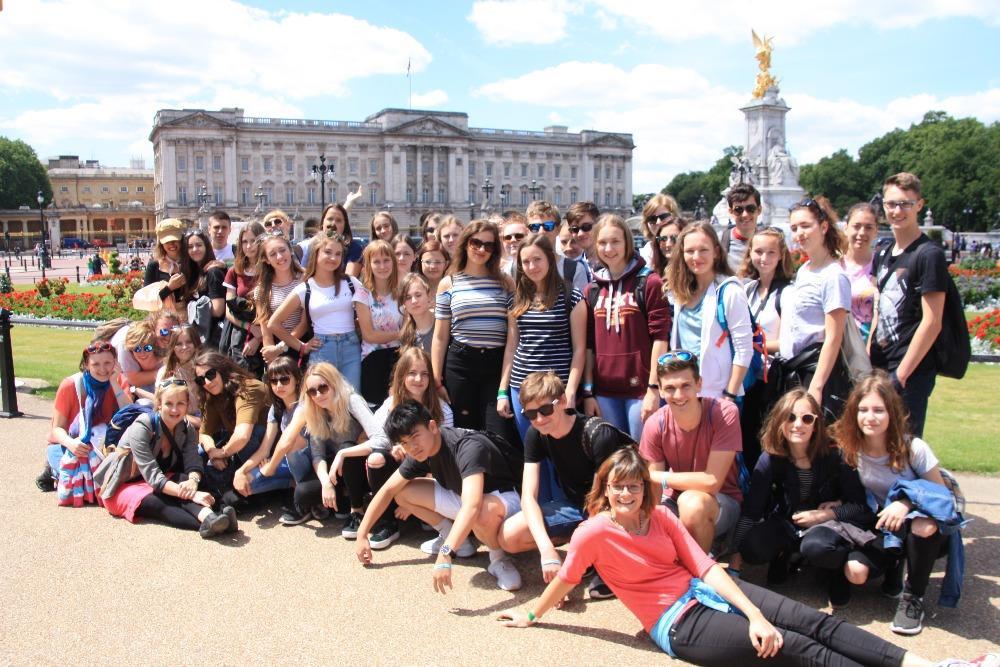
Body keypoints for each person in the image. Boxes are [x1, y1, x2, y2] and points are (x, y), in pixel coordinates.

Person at [499, 447, 977, 667]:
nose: (626, 492)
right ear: (604, 489)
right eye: (617, 485)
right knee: (797, 649)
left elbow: (705, 566)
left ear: (646, 487)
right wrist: (530, 613)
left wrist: (753, 613)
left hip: (702, 590)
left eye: (634, 484)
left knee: (817, 624)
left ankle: (930, 665)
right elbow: (564, 580)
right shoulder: (592, 533)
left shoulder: (661, 517)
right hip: (678, 623)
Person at [833, 371, 962, 636]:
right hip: (884, 527)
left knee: (923, 525)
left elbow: (941, 497)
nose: (870, 417)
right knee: (855, 572)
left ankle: (913, 597)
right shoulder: (851, 449)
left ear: (892, 412)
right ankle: (893, 565)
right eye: (863, 409)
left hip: (926, 530)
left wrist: (905, 502)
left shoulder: (913, 449)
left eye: (878, 410)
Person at [355, 400, 524, 592]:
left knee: (480, 511)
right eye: (404, 443)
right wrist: (362, 534)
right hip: (469, 497)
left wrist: (445, 556)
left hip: (507, 499)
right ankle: (456, 540)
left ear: (432, 427)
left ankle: (498, 559)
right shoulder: (422, 451)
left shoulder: (466, 447)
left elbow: (472, 506)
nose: (412, 447)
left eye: (415, 436)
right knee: (403, 493)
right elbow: (387, 490)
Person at [731, 389, 874, 609]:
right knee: (753, 546)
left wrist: (826, 514)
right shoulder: (770, 458)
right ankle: (785, 554)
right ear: (780, 421)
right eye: (790, 417)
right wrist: (735, 562)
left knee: (817, 547)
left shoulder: (837, 454)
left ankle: (835, 572)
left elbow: (860, 507)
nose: (798, 424)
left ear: (816, 423)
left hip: (829, 525)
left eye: (807, 418)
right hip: (788, 522)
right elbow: (752, 510)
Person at [498, 371, 630, 594]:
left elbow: (610, 496)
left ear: (562, 402)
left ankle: (602, 561)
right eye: (530, 414)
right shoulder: (536, 434)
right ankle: (588, 555)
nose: (539, 419)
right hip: (576, 507)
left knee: (599, 521)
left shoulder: (598, 434)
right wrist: (547, 550)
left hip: (611, 508)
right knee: (509, 536)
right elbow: (528, 496)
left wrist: (572, 561)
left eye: (546, 409)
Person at [260, 362, 388, 539]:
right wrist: (326, 482)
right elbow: (317, 454)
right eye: (312, 391)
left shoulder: (351, 400)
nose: (318, 395)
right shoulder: (315, 411)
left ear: (334, 383)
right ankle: (342, 500)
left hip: (362, 466)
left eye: (323, 387)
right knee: (302, 494)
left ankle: (356, 511)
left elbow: (382, 440)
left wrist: (343, 454)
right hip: (337, 470)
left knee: (347, 448)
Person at [96, 378, 235, 537]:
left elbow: (192, 461)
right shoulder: (142, 427)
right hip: (123, 485)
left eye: (180, 403)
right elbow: (153, 477)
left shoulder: (186, 428)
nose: (175, 409)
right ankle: (211, 521)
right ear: (159, 403)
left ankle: (214, 518)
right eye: (169, 403)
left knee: (183, 479)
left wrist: (193, 481)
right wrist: (193, 494)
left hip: (155, 480)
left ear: (187, 405)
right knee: (159, 502)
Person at [639, 351, 743, 554]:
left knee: (691, 504)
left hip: (720, 501)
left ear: (699, 384)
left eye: (685, 386)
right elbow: (655, 491)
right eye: (669, 388)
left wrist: (658, 476)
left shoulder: (724, 413)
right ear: (659, 390)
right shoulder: (655, 423)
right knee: (641, 516)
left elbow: (711, 482)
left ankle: (699, 573)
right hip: (674, 499)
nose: (678, 395)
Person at [870, 173, 947, 437]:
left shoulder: (929, 254)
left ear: (919, 205)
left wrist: (900, 375)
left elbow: (932, 321)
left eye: (905, 204)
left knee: (904, 449)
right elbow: (878, 307)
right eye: (891, 204)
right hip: (880, 365)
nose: (897, 211)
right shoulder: (882, 252)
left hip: (909, 371)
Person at [582, 214, 670, 441]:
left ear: (627, 243)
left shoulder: (649, 282)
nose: (608, 248)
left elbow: (660, 338)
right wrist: (589, 391)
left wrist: (653, 388)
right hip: (605, 392)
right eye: (602, 243)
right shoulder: (592, 289)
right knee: (614, 458)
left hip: (640, 390)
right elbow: (589, 344)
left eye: (615, 242)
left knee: (643, 456)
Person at [497, 234, 585, 442]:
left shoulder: (571, 295)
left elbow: (580, 349)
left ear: (549, 259)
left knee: (561, 452)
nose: (532, 266)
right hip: (522, 387)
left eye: (537, 259)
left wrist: (570, 390)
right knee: (532, 451)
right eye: (525, 262)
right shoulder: (516, 299)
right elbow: (512, 347)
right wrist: (503, 391)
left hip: (556, 390)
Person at [366, 346, 456, 548]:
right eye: (412, 373)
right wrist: (394, 446)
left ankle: (418, 507)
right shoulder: (391, 404)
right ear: (402, 376)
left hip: (433, 468)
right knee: (377, 458)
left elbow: (448, 446)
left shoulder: (441, 408)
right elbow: (378, 438)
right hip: (403, 468)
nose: (418, 379)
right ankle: (387, 522)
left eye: (424, 374)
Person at [431, 220, 514, 434]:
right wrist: (436, 379)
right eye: (476, 243)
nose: (481, 249)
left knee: (498, 433)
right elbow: (440, 336)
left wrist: (504, 388)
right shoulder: (448, 283)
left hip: (495, 365)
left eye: (489, 245)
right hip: (461, 365)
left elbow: (513, 338)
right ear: (466, 243)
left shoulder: (506, 283)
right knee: (465, 432)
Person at [781, 197, 852, 418]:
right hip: (796, 368)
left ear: (823, 226)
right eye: (794, 228)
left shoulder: (833, 275)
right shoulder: (805, 270)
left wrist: (817, 387)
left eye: (805, 225)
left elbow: (833, 337)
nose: (799, 233)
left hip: (815, 370)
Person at [666, 222, 751, 401]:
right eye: (690, 251)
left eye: (703, 250)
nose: (696, 257)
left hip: (718, 395)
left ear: (716, 252)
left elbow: (744, 349)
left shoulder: (730, 291)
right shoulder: (682, 291)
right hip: (685, 394)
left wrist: (730, 394)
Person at [268, 232, 363, 390]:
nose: (333, 258)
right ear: (316, 253)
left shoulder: (351, 282)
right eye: (328, 252)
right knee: (321, 400)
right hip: (322, 348)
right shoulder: (305, 288)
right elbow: (274, 324)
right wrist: (301, 346)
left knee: (353, 400)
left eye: (338, 254)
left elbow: (371, 309)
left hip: (351, 346)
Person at [41, 341, 132, 499]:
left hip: (105, 446)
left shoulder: (119, 381)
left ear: (115, 363)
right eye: (96, 364)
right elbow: (56, 430)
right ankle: (53, 470)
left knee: (108, 484)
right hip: (72, 444)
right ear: (86, 365)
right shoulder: (70, 385)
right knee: (82, 487)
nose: (103, 369)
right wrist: (71, 443)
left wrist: (114, 383)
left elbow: (130, 414)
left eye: (108, 363)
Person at [737, 227, 794, 469]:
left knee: (771, 442)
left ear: (781, 255)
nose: (764, 258)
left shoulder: (788, 292)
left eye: (771, 252)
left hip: (772, 380)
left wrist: (749, 346)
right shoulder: (747, 289)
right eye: (758, 251)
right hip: (748, 377)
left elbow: (788, 343)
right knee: (746, 441)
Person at [194, 351, 280, 508]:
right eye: (200, 380)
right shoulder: (213, 395)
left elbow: (242, 436)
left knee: (247, 437)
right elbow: (204, 433)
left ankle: (263, 486)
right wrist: (213, 453)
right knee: (200, 450)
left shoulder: (248, 388)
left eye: (211, 374)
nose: (207, 382)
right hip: (245, 450)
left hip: (272, 450)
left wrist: (223, 452)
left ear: (223, 370)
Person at [232, 357, 310, 524]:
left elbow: (287, 441)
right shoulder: (276, 409)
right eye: (273, 381)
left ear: (296, 380)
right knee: (248, 484)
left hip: (311, 462)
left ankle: (301, 503)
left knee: (293, 442)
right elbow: (264, 449)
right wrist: (241, 471)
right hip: (287, 463)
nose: (279, 385)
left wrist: (271, 466)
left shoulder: (305, 405)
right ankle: (291, 485)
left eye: (284, 379)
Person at [353, 239, 403, 405]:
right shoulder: (362, 295)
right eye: (377, 262)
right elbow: (369, 335)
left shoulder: (403, 290)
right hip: (373, 359)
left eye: (386, 260)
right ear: (368, 265)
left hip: (401, 357)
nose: (382, 266)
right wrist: (401, 334)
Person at [254, 233, 306, 366]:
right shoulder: (262, 290)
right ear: (266, 259)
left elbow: (304, 324)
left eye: (283, 250)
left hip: (302, 344)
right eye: (272, 254)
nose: (280, 257)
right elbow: (266, 331)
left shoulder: (305, 279)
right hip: (276, 350)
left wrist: (281, 347)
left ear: (290, 250)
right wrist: (272, 358)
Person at [221, 222, 265, 371]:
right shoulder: (235, 271)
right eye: (244, 241)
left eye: (253, 241)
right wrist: (250, 328)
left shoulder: (270, 270)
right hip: (241, 332)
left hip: (267, 333)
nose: (248, 246)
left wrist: (258, 338)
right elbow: (228, 311)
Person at [523, 201, 589, 295]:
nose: (541, 232)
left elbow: (582, 307)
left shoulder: (575, 269)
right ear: (527, 231)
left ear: (558, 229)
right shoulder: (517, 268)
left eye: (548, 226)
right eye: (535, 227)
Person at [180, 229, 227, 347]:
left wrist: (192, 307)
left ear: (206, 246)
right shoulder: (191, 274)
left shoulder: (213, 272)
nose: (195, 249)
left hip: (214, 337)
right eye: (190, 247)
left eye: (199, 245)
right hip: (199, 336)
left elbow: (218, 310)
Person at [842, 202, 879, 341]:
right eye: (856, 226)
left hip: (870, 348)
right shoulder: (834, 266)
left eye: (868, 227)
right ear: (846, 228)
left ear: (876, 231)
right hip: (836, 350)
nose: (862, 233)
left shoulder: (881, 266)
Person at [156, 324, 204, 428]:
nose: (184, 347)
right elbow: (159, 408)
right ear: (173, 348)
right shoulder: (166, 373)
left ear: (196, 343)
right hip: (178, 422)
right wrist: (196, 422)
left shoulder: (207, 369)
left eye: (189, 342)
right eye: (179, 344)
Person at [144, 218, 187, 310]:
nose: (171, 244)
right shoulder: (154, 266)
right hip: (163, 318)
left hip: (188, 317)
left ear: (182, 240)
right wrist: (169, 288)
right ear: (161, 243)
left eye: (175, 240)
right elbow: (147, 300)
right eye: (167, 241)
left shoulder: (190, 262)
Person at [722, 183, 763, 273]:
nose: (745, 215)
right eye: (738, 210)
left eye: (750, 209)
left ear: (759, 210)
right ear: (731, 211)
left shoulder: (769, 242)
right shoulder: (719, 241)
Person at [638, 194, 681, 268]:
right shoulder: (640, 258)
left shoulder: (687, 249)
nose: (658, 222)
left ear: (675, 217)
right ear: (646, 223)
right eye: (652, 219)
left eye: (663, 216)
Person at [397, 272, 436, 354]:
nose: (414, 301)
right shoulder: (405, 336)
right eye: (408, 297)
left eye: (418, 295)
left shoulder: (442, 324)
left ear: (428, 295)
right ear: (403, 304)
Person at [563, 201, 600, 277]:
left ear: (598, 225)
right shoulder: (572, 268)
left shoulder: (614, 261)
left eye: (586, 227)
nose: (580, 234)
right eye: (575, 229)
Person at [648, 212, 687, 278]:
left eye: (674, 238)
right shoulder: (652, 278)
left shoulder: (697, 275)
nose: (668, 244)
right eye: (663, 239)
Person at [499, 212, 529, 277]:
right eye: (508, 237)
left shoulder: (541, 266)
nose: (512, 240)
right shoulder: (505, 272)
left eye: (518, 236)